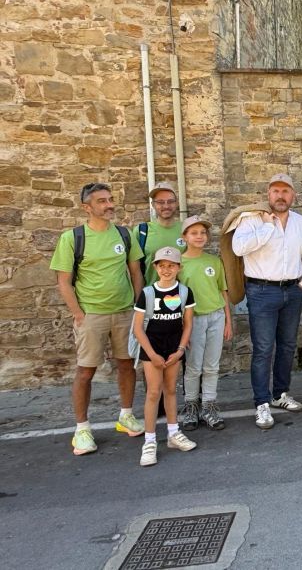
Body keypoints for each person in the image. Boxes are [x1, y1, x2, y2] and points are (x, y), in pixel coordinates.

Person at [50, 182, 145, 456]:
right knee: (86, 370)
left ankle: (125, 415)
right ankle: (82, 429)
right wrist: (78, 314)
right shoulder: (73, 238)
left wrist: (137, 306)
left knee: (127, 365)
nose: (109, 205)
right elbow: (63, 282)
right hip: (91, 315)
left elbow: (136, 272)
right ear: (87, 207)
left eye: (110, 199)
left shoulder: (124, 235)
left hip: (124, 312)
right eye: (102, 201)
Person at [232, 173, 302, 429]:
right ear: (268, 194)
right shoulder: (252, 218)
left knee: (288, 345)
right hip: (261, 291)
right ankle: (262, 403)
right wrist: (268, 226)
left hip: (292, 291)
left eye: (286, 191)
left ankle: (280, 394)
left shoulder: (300, 222)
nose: (280, 196)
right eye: (276, 191)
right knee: (264, 348)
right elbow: (238, 248)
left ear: (294, 195)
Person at [131, 247, 197, 466]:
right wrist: (151, 354)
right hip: (153, 347)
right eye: (162, 265)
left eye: (171, 265)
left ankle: (173, 433)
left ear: (179, 267)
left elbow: (187, 324)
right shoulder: (148, 293)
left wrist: (179, 350)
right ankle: (149, 442)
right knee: (153, 392)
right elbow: (138, 328)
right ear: (155, 267)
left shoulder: (185, 292)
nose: (166, 269)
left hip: (173, 347)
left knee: (170, 390)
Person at [177, 216, 233, 431]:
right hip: (193, 320)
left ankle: (209, 406)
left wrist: (228, 320)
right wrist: (182, 326)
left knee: (212, 365)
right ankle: (191, 406)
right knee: (193, 366)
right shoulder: (179, 264)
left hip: (216, 317)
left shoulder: (213, 261)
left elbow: (222, 291)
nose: (199, 236)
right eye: (194, 233)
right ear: (184, 237)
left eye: (202, 233)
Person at [133, 181, 185, 286]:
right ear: (153, 204)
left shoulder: (186, 230)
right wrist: (139, 300)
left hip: (183, 296)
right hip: (151, 296)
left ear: (176, 203)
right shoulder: (142, 231)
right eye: (160, 202)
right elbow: (135, 271)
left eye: (170, 201)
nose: (166, 206)